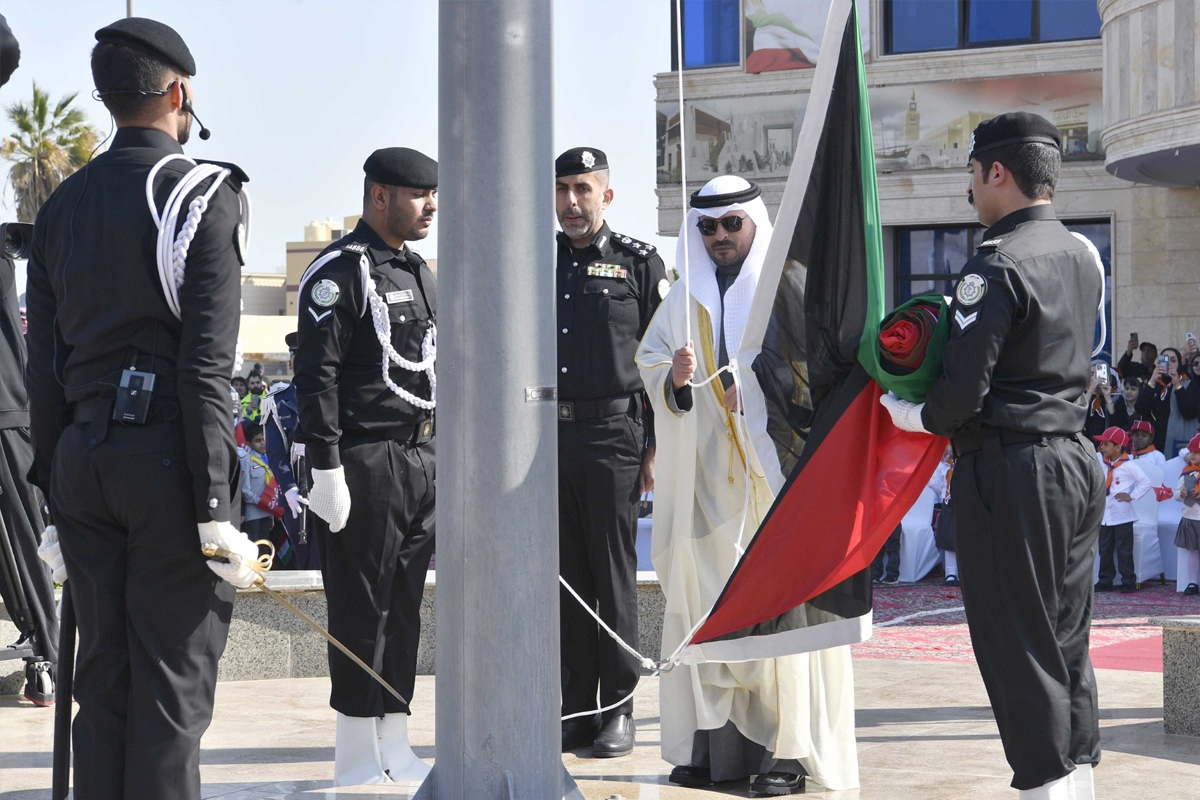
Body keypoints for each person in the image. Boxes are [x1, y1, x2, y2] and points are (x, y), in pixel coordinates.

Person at [24, 18, 260, 800]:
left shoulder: (61, 206)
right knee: (172, 691)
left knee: (104, 683)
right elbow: (205, 367)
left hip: (81, 461)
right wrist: (217, 501)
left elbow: (44, 367)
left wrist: (52, 499)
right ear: (179, 94)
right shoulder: (203, 194)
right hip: (164, 460)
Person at [880, 113, 1106, 800]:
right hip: (1073, 459)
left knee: (1016, 646)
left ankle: (1044, 786)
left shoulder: (994, 267)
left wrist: (905, 412)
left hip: (1012, 469)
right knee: (1066, 638)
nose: (970, 190)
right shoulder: (1081, 254)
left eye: (973, 174)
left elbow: (960, 398)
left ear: (996, 173)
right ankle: (1077, 784)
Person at [638, 175, 858, 796]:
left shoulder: (786, 286)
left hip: (775, 485)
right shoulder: (682, 299)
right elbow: (652, 362)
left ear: (754, 223)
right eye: (706, 227)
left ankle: (788, 754)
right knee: (706, 611)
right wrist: (676, 380)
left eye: (730, 224)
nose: (718, 238)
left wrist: (759, 387)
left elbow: (822, 372)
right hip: (708, 492)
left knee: (781, 615)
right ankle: (716, 752)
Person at [293, 147, 437, 786]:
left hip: (418, 454)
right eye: (419, 194)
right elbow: (315, 374)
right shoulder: (339, 271)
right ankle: (355, 749)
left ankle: (393, 736)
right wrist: (325, 467)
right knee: (360, 606)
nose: (431, 206)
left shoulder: (417, 270)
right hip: (364, 457)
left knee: (403, 604)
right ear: (379, 196)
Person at [553, 146, 667, 759]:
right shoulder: (537, 263)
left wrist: (653, 446)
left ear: (606, 195)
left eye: (583, 189)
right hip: (550, 439)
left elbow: (660, 358)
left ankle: (616, 707)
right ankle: (575, 707)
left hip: (614, 437)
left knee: (613, 574)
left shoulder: (639, 264)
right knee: (566, 578)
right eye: (563, 189)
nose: (572, 202)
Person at [260, 332, 312, 568]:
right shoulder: (277, 401)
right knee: (306, 559)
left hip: (330, 487)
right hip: (297, 492)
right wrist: (289, 488)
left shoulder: (335, 395)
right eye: (296, 357)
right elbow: (276, 453)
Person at [1092, 427, 1151, 593]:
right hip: (1104, 514)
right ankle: (1105, 579)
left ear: (1118, 447)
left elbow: (1145, 482)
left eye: (1106, 444)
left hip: (1122, 515)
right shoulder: (1100, 462)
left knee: (1124, 550)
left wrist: (1131, 495)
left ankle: (1128, 581)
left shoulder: (1129, 465)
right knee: (1105, 549)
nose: (1102, 446)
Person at [238, 420, 282, 548]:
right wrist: (262, 502)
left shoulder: (267, 458)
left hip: (267, 511)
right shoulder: (246, 460)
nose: (262, 443)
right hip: (253, 513)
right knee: (253, 547)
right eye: (257, 441)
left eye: (264, 439)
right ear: (248, 443)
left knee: (265, 548)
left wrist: (271, 512)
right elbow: (245, 490)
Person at [928, 444, 960, 587]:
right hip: (948, 504)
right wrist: (929, 481)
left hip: (966, 503)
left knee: (964, 539)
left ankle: (965, 572)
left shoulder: (964, 464)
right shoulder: (942, 467)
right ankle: (951, 573)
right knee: (948, 539)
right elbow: (939, 488)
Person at [1173, 434, 1200, 596]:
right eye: (1191, 452)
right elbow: (1176, 495)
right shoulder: (1186, 473)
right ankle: (1193, 582)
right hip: (1190, 519)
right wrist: (1182, 494)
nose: (1193, 455)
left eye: (1197, 452)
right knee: (1193, 551)